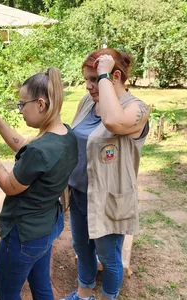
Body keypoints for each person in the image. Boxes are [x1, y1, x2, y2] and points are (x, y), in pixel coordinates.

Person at [0, 68, 78, 300]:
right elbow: (24, 146)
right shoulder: (65, 135)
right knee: (41, 284)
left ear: (41, 104)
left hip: (23, 234)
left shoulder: (39, 151)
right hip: (47, 226)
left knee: (6, 294)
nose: (20, 110)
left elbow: (9, 184)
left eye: (22, 104)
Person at [62, 49, 149, 300]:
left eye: (94, 79)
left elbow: (113, 122)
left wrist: (104, 74)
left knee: (109, 257)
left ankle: (108, 297)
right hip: (79, 192)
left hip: (109, 199)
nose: (88, 86)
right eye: (86, 79)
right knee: (82, 248)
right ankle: (84, 293)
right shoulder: (89, 101)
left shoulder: (136, 109)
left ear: (116, 76)